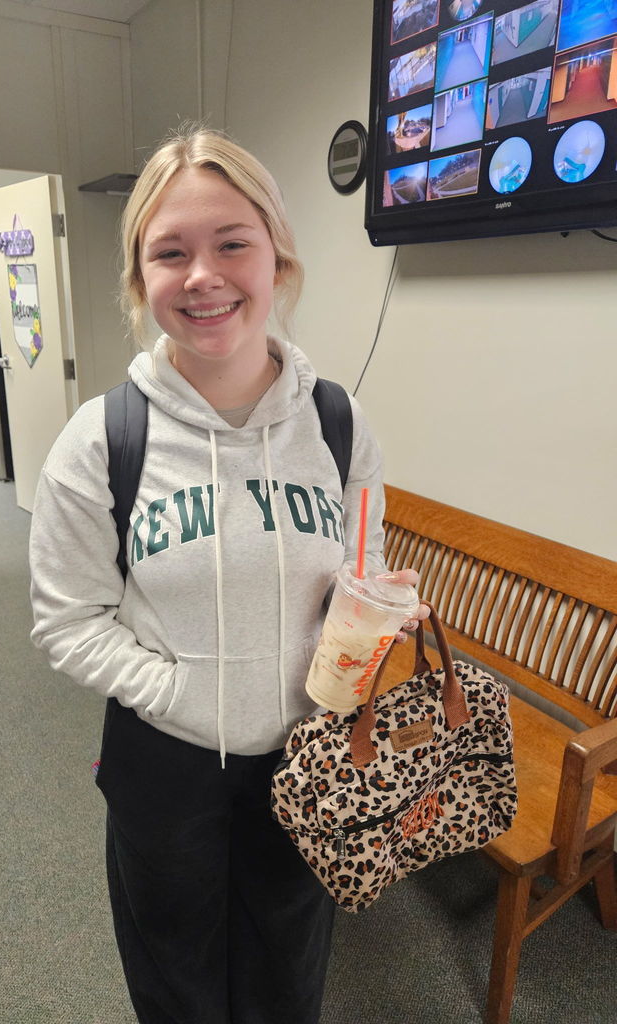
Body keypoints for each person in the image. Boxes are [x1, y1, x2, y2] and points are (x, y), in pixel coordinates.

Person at [28, 128, 428, 1024]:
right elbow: (67, 619)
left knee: (291, 960)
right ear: (142, 282)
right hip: (165, 762)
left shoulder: (338, 422)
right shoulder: (101, 441)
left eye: (232, 243)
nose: (202, 275)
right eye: (170, 252)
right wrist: (179, 693)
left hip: (308, 753)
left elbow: (355, 567)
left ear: (277, 259)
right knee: (178, 974)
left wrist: (374, 609)